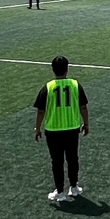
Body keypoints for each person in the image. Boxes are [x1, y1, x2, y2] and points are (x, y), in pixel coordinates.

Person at [33, 55, 90, 203]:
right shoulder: (75, 85)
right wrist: (86, 123)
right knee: (73, 158)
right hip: (72, 128)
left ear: (53, 69)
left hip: (53, 130)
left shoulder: (48, 87)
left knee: (57, 161)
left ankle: (59, 192)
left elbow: (41, 111)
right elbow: (83, 107)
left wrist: (37, 128)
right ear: (67, 69)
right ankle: (74, 187)